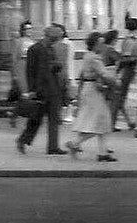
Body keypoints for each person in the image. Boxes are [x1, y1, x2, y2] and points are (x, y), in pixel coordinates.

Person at [64, 32, 118, 162]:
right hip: (93, 91)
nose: (102, 45)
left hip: (89, 89)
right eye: (100, 43)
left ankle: (102, 152)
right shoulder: (95, 58)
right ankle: (75, 143)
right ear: (95, 44)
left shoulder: (88, 56)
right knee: (97, 121)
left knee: (101, 120)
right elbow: (104, 74)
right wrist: (116, 80)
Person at [17, 25, 69, 155]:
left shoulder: (50, 49)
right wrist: (32, 90)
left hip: (53, 87)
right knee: (36, 118)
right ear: (48, 36)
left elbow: (54, 67)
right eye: (53, 38)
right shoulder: (34, 49)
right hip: (41, 90)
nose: (55, 41)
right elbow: (30, 71)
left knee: (54, 119)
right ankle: (23, 140)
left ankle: (53, 146)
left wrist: (57, 67)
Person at [8, 21, 36, 128]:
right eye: (27, 29)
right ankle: (17, 114)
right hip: (21, 68)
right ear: (23, 30)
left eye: (30, 29)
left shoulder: (33, 42)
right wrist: (14, 73)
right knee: (24, 93)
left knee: (28, 94)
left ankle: (15, 113)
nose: (29, 31)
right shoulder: (18, 42)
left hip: (30, 69)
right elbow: (14, 57)